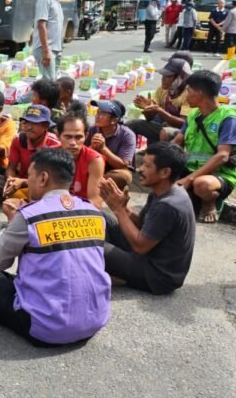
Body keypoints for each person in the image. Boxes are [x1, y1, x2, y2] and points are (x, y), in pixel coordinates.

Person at [0, 148, 111, 347]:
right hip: (95, 321)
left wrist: (11, 222)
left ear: (43, 178)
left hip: (45, 329)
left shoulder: (29, 215)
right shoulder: (93, 212)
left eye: (30, 176)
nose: (28, 181)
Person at [99, 142, 195, 295]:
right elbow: (142, 224)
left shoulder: (168, 205)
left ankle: (115, 273)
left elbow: (140, 246)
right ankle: (109, 269)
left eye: (147, 166)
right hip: (146, 255)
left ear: (165, 172)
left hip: (158, 276)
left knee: (92, 245)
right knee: (99, 217)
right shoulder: (161, 191)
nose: (140, 169)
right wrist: (124, 207)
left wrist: (118, 210)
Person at [172, 70, 236, 223]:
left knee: (202, 184)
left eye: (189, 91)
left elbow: (223, 156)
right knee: (161, 174)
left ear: (199, 93)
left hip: (219, 174)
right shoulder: (193, 115)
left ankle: (209, 203)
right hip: (191, 168)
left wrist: (189, 179)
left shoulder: (228, 118)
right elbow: (177, 141)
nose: (186, 95)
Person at [0, 105, 61, 201]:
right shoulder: (18, 140)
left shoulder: (55, 145)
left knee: (51, 193)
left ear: (45, 126)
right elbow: (11, 167)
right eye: (27, 122)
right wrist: (11, 179)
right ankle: (21, 199)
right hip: (19, 183)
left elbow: (53, 180)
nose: (29, 127)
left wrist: (23, 182)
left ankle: (12, 198)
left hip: (41, 186)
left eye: (34, 123)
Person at [130, 58, 192, 143]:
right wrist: (147, 109)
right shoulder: (162, 89)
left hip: (182, 132)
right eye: (163, 75)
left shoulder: (189, 94)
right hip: (165, 124)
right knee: (132, 124)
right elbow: (151, 119)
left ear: (180, 77)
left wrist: (160, 111)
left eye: (168, 76)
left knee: (165, 131)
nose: (163, 79)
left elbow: (184, 124)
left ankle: (161, 154)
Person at [87, 100, 136, 190]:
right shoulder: (91, 130)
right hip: (95, 166)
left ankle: (96, 184)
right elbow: (80, 156)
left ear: (114, 120)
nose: (97, 116)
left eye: (103, 114)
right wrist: (91, 148)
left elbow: (122, 165)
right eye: (98, 112)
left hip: (114, 170)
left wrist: (103, 149)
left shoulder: (127, 135)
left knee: (122, 176)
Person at [58, 112, 104, 207]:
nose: (73, 143)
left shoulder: (95, 160)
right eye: (68, 137)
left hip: (82, 212)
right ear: (58, 135)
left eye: (78, 137)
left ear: (86, 136)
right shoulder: (48, 155)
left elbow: (95, 201)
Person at [31, 0, 71, 80]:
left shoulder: (56, 1)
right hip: (46, 48)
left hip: (56, 49)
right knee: (49, 83)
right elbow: (41, 25)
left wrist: (59, 49)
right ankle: (23, 98)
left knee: (50, 83)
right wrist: (46, 51)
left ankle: (25, 97)